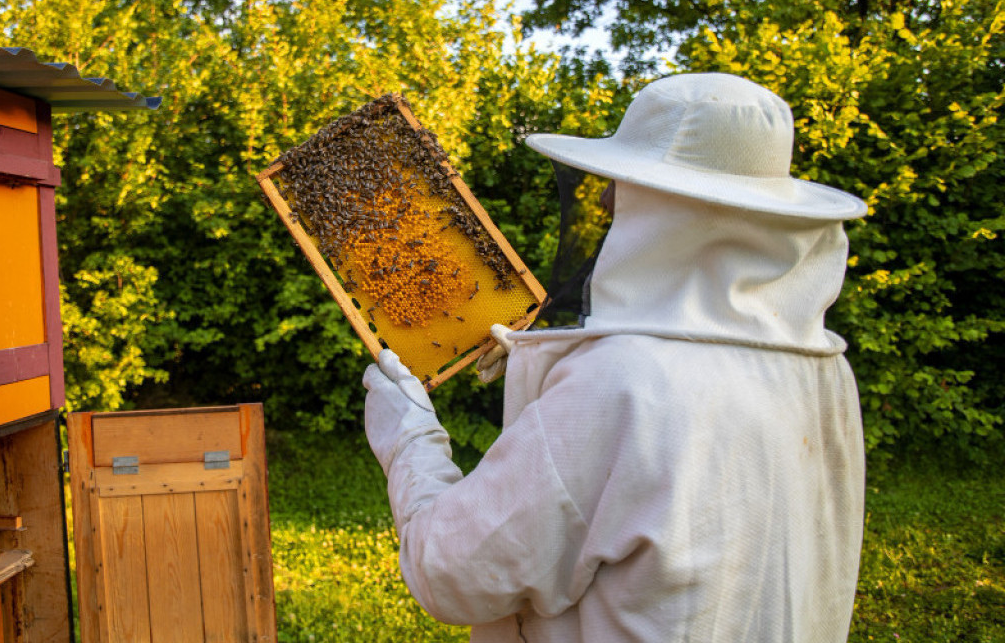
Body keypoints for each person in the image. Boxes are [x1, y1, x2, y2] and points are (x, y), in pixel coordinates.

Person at [362, 73, 868, 642]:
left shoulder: (619, 384)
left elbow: (451, 572)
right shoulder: (826, 372)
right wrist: (536, 363)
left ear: (667, 207)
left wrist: (408, 438)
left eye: (624, 184)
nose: (604, 199)